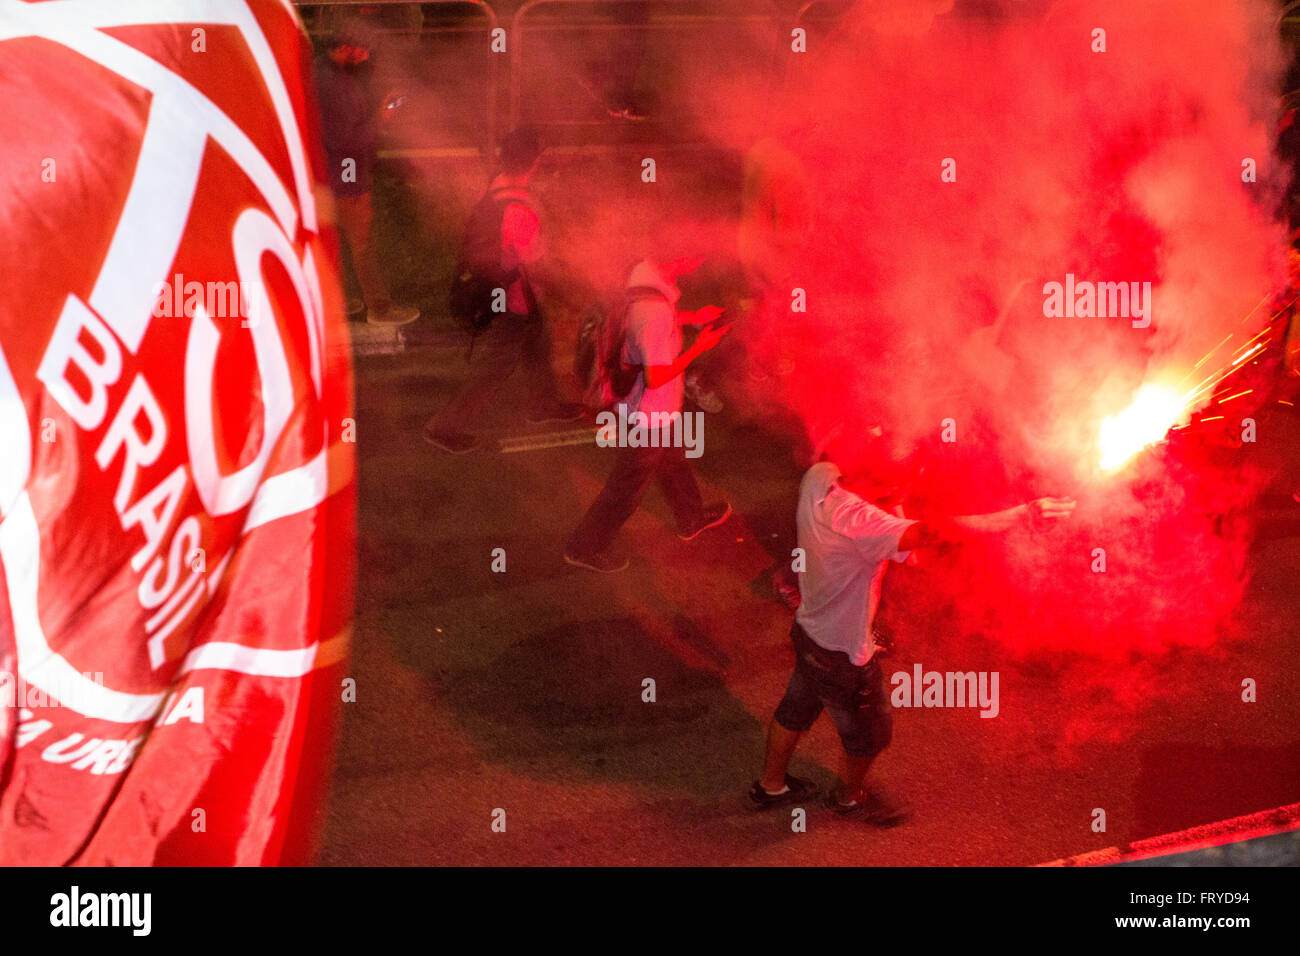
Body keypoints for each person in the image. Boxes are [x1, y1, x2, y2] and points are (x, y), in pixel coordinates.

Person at [749, 427, 1074, 821]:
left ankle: (770, 785)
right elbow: (937, 531)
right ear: (889, 481)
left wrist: (887, 463)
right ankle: (849, 797)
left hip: (808, 633)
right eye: (909, 480)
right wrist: (1021, 515)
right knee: (871, 734)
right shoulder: (866, 524)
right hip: (844, 657)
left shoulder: (820, 477)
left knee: (794, 711)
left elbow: (841, 449)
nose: (914, 484)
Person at [564, 248, 733, 573]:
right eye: (694, 255)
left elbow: (647, 324)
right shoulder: (653, 311)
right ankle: (583, 547)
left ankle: (691, 518)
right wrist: (700, 347)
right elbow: (656, 376)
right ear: (678, 254)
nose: (699, 262)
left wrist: (693, 317)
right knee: (626, 489)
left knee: (674, 462)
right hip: (648, 414)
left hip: (656, 411)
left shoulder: (644, 275)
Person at [424, 128, 583, 454]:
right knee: (496, 365)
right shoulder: (520, 210)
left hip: (501, 287)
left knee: (539, 342)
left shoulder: (496, 187)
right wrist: (567, 291)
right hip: (515, 295)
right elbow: (534, 263)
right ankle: (445, 426)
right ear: (535, 163)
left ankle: (543, 404)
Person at [315, 18, 419, 326]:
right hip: (346, 181)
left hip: (325, 178)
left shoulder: (321, 72)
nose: (367, 56)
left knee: (330, 245)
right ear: (346, 48)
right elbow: (344, 141)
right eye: (363, 51)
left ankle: (335, 304)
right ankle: (380, 309)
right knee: (363, 248)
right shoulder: (333, 85)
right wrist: (382, 120)